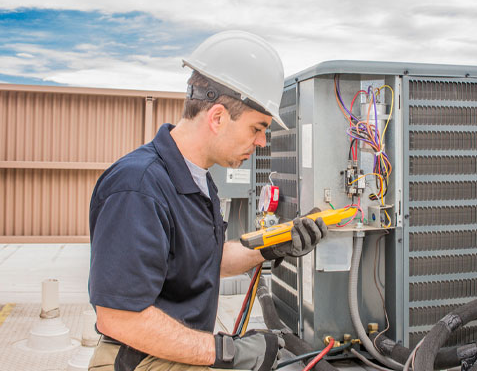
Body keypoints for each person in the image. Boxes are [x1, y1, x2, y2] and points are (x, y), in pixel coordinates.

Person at [87, 31, 327, 371]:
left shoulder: (197, 179)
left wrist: (277, 243)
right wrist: (227, 353)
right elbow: (119, 318)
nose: (261, 142)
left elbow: (204, 261)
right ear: (217, 117)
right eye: (257, 128)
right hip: (139, 360)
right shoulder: (138, 187)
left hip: (172, 352)